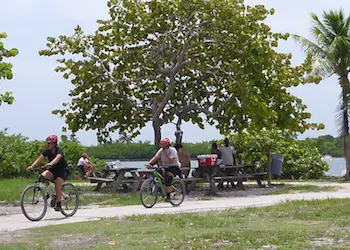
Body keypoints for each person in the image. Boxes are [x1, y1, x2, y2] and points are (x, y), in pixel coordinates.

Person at [27, 135, 68, 211]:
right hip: (53, 170)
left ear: (54, 144)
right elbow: (40, 158)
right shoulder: (47, 151)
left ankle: (59, 203)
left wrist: (51, 163)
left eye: (50, 143)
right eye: (47, 143)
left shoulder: (59, 150)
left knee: (57, 184)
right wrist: (32, 166)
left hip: (62, 170)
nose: (48, 144)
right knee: (43, 175)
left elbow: (57, 158)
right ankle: (49, 192)